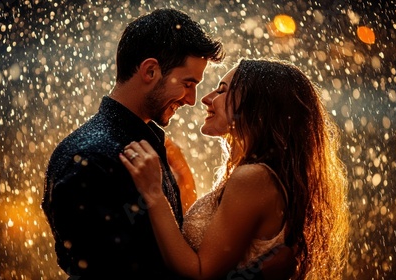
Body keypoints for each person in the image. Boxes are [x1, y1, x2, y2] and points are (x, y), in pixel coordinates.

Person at [120, 58, 350, 279]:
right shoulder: (255, 175)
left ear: (258, 105)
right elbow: (209, 242)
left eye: (221, 91)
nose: (206, 99)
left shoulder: (253, 177)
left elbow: (200, 272)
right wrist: (184, 178)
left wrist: (152, 193)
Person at [41, 8, 225, 279]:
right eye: (188, 83)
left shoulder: (140, 144)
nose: (191, 99)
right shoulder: (91, 158)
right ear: (150, 71)